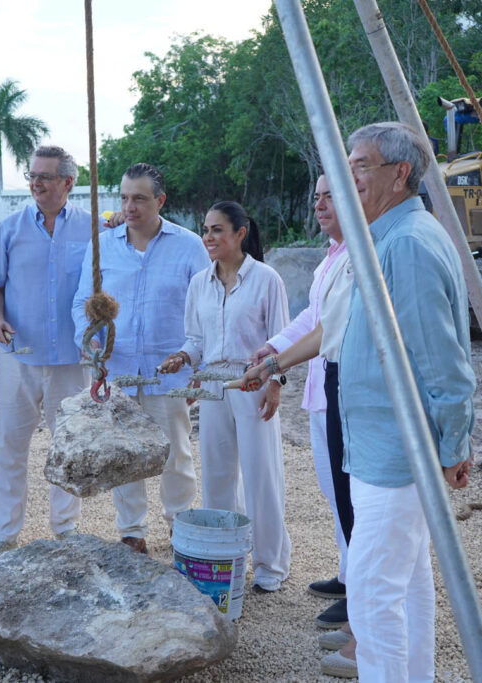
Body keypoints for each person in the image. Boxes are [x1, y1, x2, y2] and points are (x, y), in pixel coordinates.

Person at [341, 122, 474, 681]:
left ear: (399, 174)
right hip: (387, 445)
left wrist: (454, 443)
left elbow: (443, 362)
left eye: (361, 165)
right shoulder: (392, 236)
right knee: (408, 581)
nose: (349, 175)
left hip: (399, 451)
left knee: (372, 592)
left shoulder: (408, 244)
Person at [72, 163, 209, 554]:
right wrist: (88, 343)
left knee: (175, 454)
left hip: (170, 371)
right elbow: (82, 303)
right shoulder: (102, 246)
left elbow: (204, 309)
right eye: (124, 198)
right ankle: (131, 532)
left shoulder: (189, 246)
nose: (129, 207)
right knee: (125, 454)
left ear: (160, 200)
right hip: (117, 369)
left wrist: (198, 367)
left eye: (139, 199)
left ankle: (180, 527)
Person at [160, 200, 290, 591]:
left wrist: (275, 383)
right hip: (213, 383)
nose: (208, 237)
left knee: (261, 473)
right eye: (205, 229)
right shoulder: (200, 283)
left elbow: (281, 338)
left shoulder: (267, 279)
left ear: (240, 233)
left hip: (253, 381)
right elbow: (197, 339)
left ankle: (270, 565)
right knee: (216, 475)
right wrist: (183, 358)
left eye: (217, 229)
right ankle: (224, 558)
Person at [247, 174, 354, 628]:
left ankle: (361, 590)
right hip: (322, 390)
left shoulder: (359, 255)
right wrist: (275, 345)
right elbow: (313, 316)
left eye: (330, 197)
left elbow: (328, 328)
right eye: (316, 197)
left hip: (348, 391)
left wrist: (275, 364)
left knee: (352, 496)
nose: (320, 205)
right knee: (335, 491)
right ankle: (350, 573)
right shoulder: (330, 257)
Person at [0, 145, 91, 558]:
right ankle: (3, 534)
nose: (35, 183)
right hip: (18, 356)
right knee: (9, 446)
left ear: (67, 182)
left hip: (71, 359)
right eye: (32, 175)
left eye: (45, 176)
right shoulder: (9, 228)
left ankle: (66, 527)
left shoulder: (92, 228)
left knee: (69, 447)